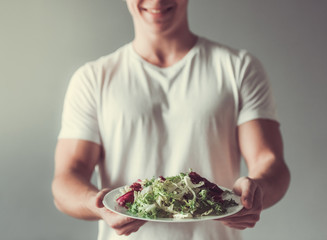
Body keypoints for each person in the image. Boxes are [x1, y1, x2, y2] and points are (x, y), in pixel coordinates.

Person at [52, 0, 290, 239]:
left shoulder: (238, 68)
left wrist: (256, 191)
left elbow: (269, 161)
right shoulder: (93, 79)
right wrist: (97, 204)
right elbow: (67, 178)